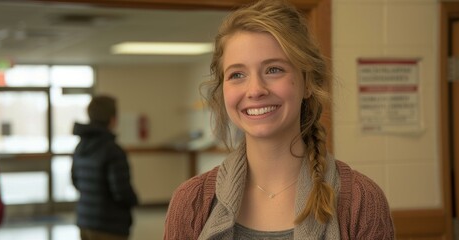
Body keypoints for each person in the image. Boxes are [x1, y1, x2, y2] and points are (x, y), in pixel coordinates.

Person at [164, 0, 395, 239]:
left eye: (274, 69)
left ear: (307, 83)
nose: (255, 90)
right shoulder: (191, 201)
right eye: (237, 74)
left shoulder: (361, 199)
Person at [72, 95, 138, 240]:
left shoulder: (80, 147)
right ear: (113, 119)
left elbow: (75, 181)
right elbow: (121, 191)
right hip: (110, 226)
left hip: (85, 221)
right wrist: (134, 200)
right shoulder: (113, 150)